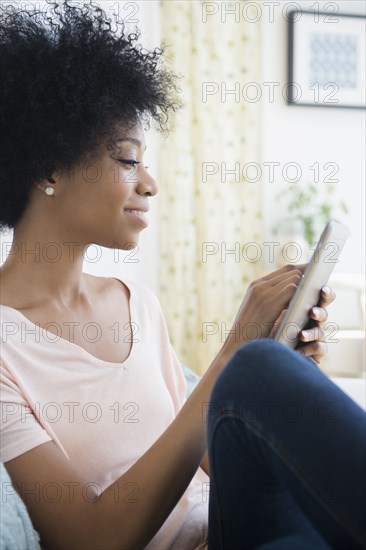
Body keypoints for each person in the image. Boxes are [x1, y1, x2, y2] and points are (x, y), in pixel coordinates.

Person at [0, 1, 364, 549]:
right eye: (127, 160)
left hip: (240, 521)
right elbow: (93, 538)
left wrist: (275, 384)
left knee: (265, 371)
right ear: (48, 169)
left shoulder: (137, 303)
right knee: (253, 365)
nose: (150, 184)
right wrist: (235, 353)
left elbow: (212, 461)